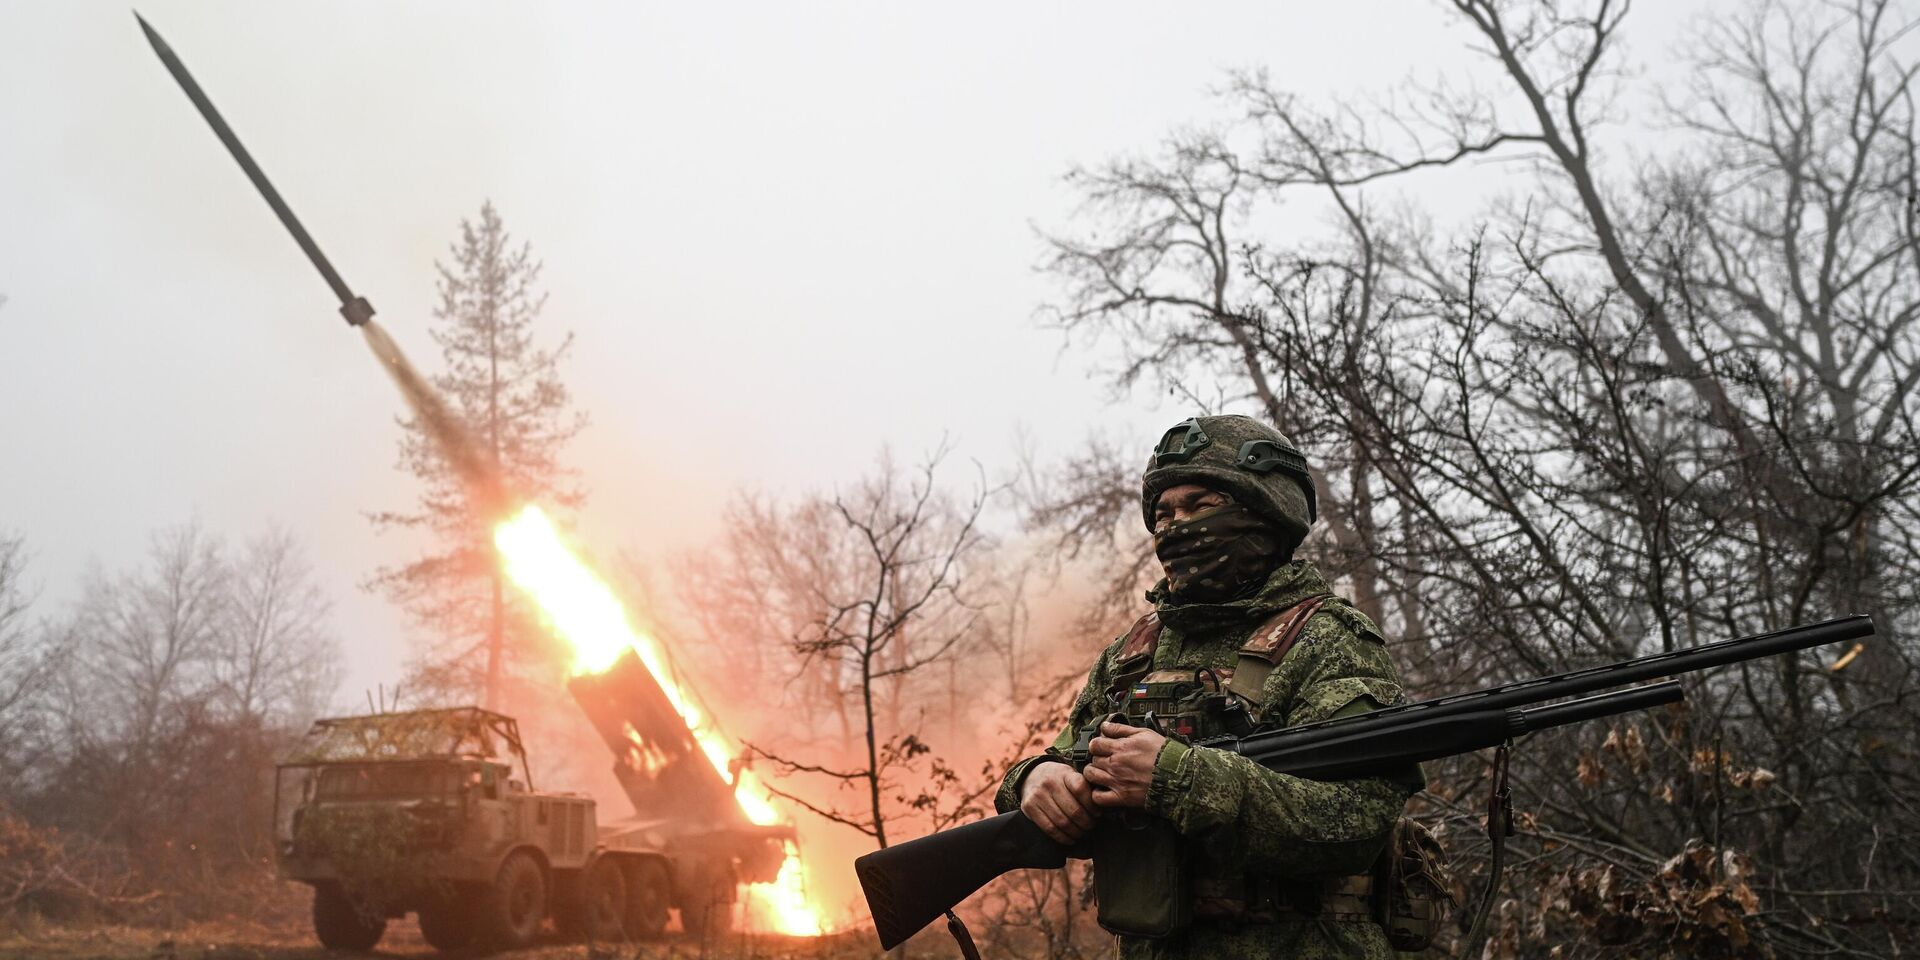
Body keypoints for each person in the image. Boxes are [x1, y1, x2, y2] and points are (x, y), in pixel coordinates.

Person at [995, 415, 1419, 960]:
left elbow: (1359, 820)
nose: (1176, 526)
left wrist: (1177, 779)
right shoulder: (1134, 652)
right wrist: (1035, 781)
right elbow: (1059, 759)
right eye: (1165, 513)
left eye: (1201, 506)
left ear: (1264, 514)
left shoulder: (1329, 641)